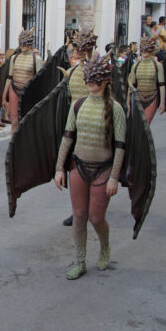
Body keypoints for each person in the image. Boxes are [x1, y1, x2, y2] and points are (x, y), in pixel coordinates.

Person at [54, 55, 125, 280]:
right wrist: (58, 169)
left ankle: (104, 246)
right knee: (79, 215)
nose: (90, 82)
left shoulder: (116, 109)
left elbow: (121, 146)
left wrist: (114, 177)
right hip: (78, 167)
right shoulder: (78, 105)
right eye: (88, 77)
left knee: (96, 217)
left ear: (105, 80)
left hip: (103, 170)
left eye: (96, 78)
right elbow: (67, 138)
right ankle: (80, 261)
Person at [61, 30, 99, 228]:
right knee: (74, 169)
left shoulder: (103, 71)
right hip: (75, 128)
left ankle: (94, 209)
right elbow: (66, 101)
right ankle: (77, 211)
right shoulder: (73, 72)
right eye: (78, 48)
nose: (81, 52)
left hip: (97, 129)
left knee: (96, 170)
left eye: (86, 48)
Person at [2, 28, 44, 133]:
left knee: (27, 121)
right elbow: (9, 77)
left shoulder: (37, 59)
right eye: (21, 43)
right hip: (14, 89)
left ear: (30, 44)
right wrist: (4, 96)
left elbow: (40, 81)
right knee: (14, 121)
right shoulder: (14, 58)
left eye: (25, 43)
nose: (22, 46)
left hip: (29, 92)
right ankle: (13, 147)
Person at [128, 37, 166, 124]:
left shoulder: (158, 66)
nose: (144, 51)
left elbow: (162, 84)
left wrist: (162, 102)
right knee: (137, 125)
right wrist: (128, 103)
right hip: (138, 98)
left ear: (152, 50)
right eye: (143, 48)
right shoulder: (135, 66)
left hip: (152, 98)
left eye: (147, 49)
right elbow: (132, 86)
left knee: (145, 125)